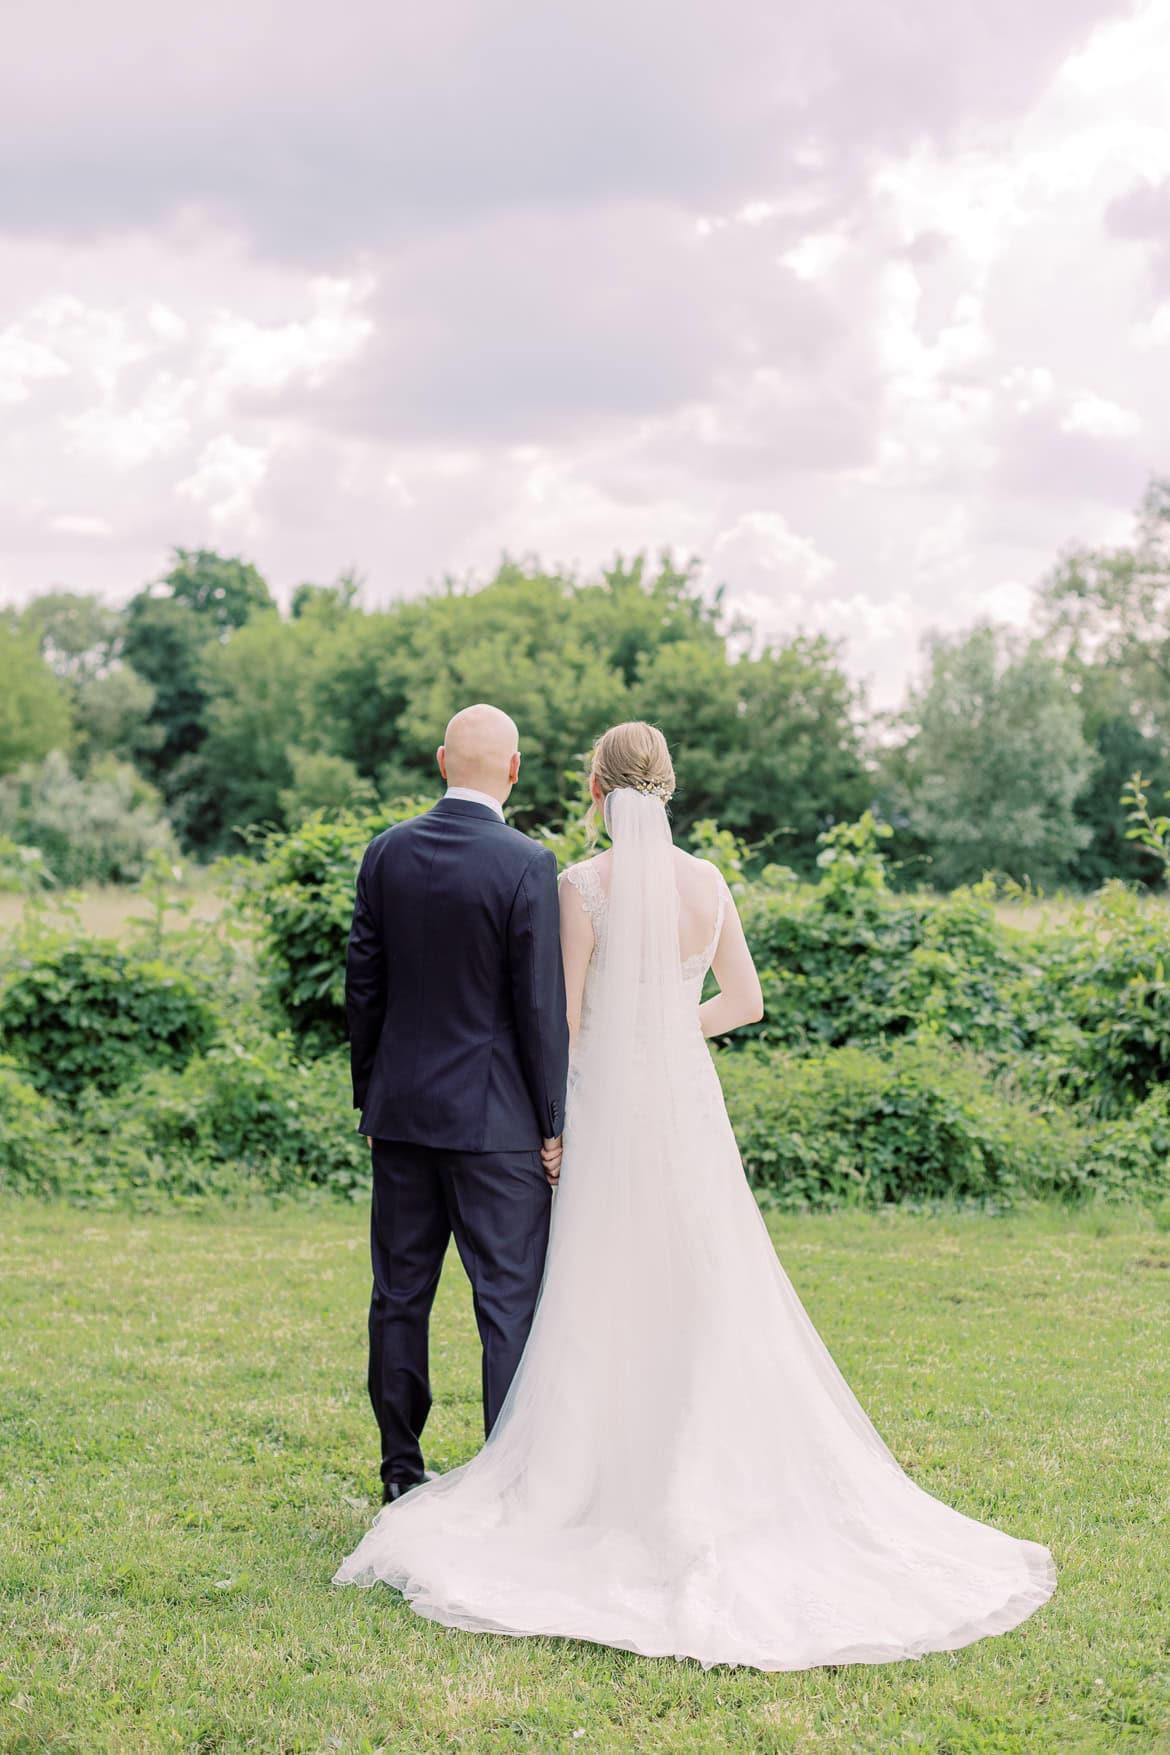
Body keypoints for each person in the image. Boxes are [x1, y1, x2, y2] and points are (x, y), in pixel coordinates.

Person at [336, 721, 1056, 1671]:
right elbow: (743, 1001)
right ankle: (696, 1471)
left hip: (581, 1108)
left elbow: (562, 1017)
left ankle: (524, 1471)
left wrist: (556, 1114)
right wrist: (670, 1028)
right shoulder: (706, 883)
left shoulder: (575, 885)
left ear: (596, 787)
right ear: (668, 785)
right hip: (680, 1102)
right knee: (695, 1279)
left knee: (572, 1287)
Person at [345, 703, 569, 1505]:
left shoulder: (385, 854)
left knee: (399, 1294)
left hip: (401, 1116)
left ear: (444, 760)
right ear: (513, 770)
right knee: (507, 1302)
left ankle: (400, 1470)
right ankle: (510, 1483)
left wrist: (370, 1096)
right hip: (496, 1125)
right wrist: (553, 1122)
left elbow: (362, 987)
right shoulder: (526, 864)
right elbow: (539, 1008)